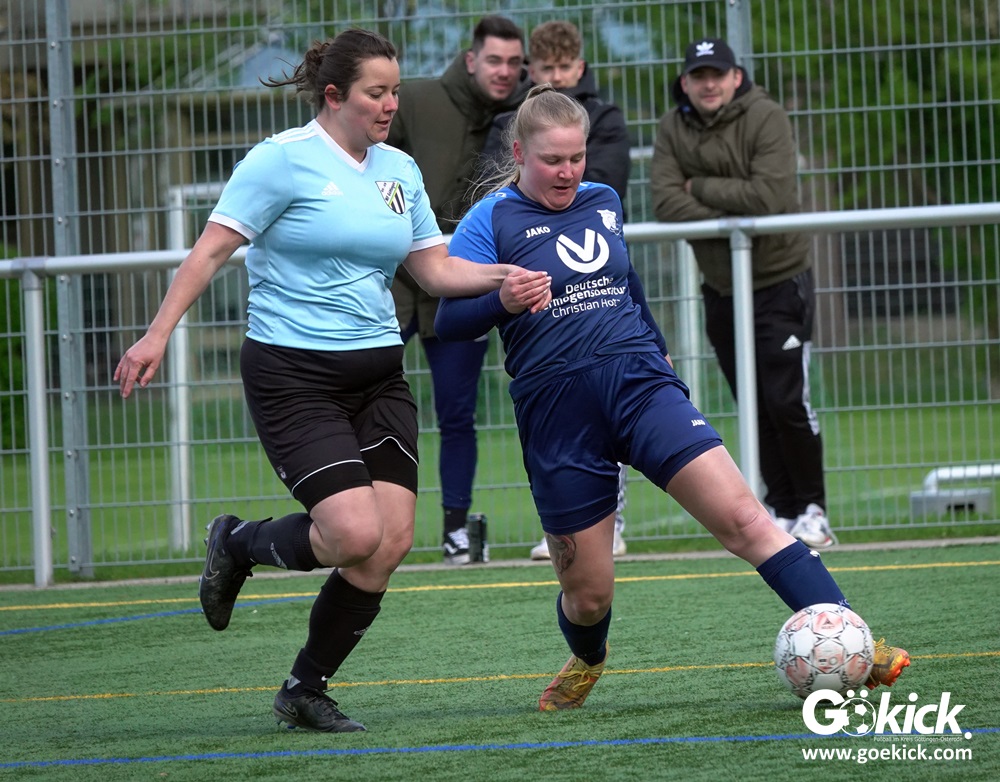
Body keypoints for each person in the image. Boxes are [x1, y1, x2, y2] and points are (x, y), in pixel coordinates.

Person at [114, 29, 551, 733]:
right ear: (334, 95)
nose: (390, 104)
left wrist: (505, 277)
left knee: (390, 542)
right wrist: (157, 333)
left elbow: (434, 269)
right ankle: (238, 543)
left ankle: (304, 688)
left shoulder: (398, 169)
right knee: (351, 534)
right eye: (377, 93)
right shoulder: (280, 160)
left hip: (378, 375)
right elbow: (211, 252)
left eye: (395, 91)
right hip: (294, 376)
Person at [435, 85, 909, 712]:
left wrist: (657, 352)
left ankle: (854, 639)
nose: (568, 172)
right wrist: (502, 300)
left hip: (640, 387)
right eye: (552, 160)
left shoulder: (603, 201)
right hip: (557, 413)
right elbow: (448, 321)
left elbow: (626, 283)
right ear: (520, 153)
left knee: (746, 520)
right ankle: (589, 657)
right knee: (589, 596)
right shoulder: (489, 221)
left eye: (576, 158)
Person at [649, 38, 836, 550]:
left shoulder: (765, 115)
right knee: (752, 400)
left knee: (786, 400)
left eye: (718, 73)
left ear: (736, 77)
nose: (709, 84)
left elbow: (770, 195)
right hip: (721, 286)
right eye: (699, 75)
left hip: (779, 278)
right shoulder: (672, 127)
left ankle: (814, 509)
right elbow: (664, 201)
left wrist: (698, 187)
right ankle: (781, 508)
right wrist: (731, 207)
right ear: (685, 82)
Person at [482, 19, 632, 562]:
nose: (557, 77)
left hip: (601, 297)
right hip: (540, 325)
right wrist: (502, 291)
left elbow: (605, 184)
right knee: (558, 407)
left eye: (565, 67)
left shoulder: (604, 123)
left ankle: (613, 519)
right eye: (546, 68)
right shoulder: (507, 132)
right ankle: (567, 527)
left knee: (615, 402)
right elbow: (496, 191)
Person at [387, 15, 530, 565]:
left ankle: (455, 532)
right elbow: (368, 168)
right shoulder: (416, 100)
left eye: (513, 62)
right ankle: (360, 525)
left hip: (463, 286)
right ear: (471, 60)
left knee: (457, 414)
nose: (504, 71)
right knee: (365, 401)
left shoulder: (524, 115)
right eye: (494, 60)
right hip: (396, 281)